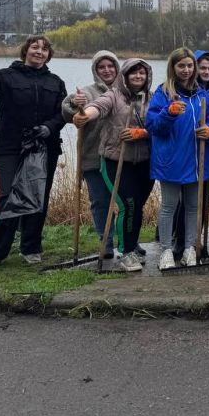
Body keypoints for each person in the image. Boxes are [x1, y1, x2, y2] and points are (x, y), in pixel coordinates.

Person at [0, 36, 67, 267]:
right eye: (35, 47)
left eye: (44, 49)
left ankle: (31, 247)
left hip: (44, 146)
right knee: (7, 197)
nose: (39, 51)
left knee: (38, 197)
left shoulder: (56, 82)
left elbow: (63, 113)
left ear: (48, 55)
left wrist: (49, 128)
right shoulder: (6, 76)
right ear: (25, 51)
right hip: (10, 146)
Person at [72, 59, 155, 272]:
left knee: (137, 207)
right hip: (116, 161)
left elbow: (161, 125)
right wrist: (84, 115)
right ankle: (126, 253)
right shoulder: (114, 95)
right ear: (125, 75)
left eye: (142, 73)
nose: (138, 76)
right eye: (133, 73)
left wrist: (144, 132)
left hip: (145, 162)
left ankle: (132, 246)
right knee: (128, 206)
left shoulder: (152, 99)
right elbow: (97, 107)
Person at [146, 48, 209, 269]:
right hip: (170, 160)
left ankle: (190, 248)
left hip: (197, 159)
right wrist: (168, 113)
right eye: (182, 66)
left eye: (190, 66)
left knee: (192, 206)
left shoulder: (202, 94)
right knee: (169, 205)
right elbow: (153, 126)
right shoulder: (163, 93)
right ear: (173, 67)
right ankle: (166, 251)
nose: (187, 70)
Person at [59, 50, 120, 258]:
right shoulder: (86, 92)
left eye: (110, 66)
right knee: (101, 202)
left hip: (122, 158)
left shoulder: (126, 90)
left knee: (126, 202)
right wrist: (75, 104)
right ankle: (106, 243)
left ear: (117, 68)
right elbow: (67, 111)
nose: (107, 70)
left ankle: (129, 242)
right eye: (101, 67)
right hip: (94, 157)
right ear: (96, 70)